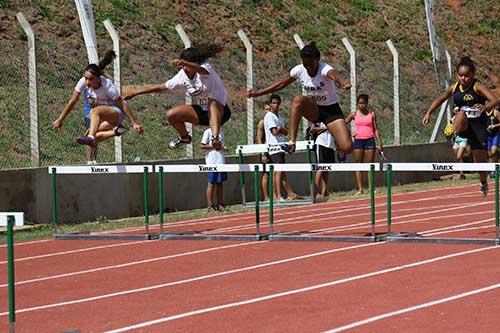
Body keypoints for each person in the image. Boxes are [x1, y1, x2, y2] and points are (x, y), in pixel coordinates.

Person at [247, 41, 353, 156]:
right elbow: (280, 84)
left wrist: (344, 82)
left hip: (331, 110)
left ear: (317, 60)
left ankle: (336, 139)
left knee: (347, 147)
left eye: (310, 65)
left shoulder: (324, 68)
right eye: (305, 65)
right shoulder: (299, 70)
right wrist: (258, 93)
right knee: (298, 100)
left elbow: (334, 75)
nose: (308, 68)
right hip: (314, 109)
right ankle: (292, 142)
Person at [123, 44, 231, 150]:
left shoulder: (205, 68)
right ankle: (185, 138)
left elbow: (200, 69)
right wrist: (136, 92)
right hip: (203, 113)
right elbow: (162, 87)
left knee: (212, 102)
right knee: (171, 114)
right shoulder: (182, 76)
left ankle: (215, 139)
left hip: (221, 113)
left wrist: (184, 62)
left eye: (187, 66)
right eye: (182, 66)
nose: (184, 69)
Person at [422, 57, 499, 196]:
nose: (463, 78)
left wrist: (485, 106)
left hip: (478, 127)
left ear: (473, 75)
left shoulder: (477, 86)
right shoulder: (454, 87)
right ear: (457, 74)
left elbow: (495, 99)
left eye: (466, 76)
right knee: (461, 113)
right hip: (463, 124)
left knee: (480, 163)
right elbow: (440, 99)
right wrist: (428, 113)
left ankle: (483, 182)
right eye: (460, 75)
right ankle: (454, 135)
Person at [53, 50, 144, 151]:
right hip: (104, 115)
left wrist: (134, 122)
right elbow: (72, 101)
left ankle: (91, 138)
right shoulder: (83, 82)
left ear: (98, 78)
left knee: (94, 112)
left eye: (91, 79)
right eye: (86, 78)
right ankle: (117, 131)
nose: (87, 82)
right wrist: (60, 119)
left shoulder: (107, 86)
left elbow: (123, 104)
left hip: (116, 113)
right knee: (91, 132)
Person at [256, 101, 299, 201]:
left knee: (278, 172)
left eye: (268, 109)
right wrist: (263, 153)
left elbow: (284, 132)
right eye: (266, 109)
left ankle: (285, 194)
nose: (268, 111)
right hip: (266, 149)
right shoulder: (262, 122)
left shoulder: (275, 119)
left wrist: (281, 130)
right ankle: (267, 197)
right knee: (267, 174)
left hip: (276, 148)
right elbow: (259, 139)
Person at [345, 94, 383, 194]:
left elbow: (376, 129)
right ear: (357, 104)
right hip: (358, 141)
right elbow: (344, 123)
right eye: (360, 103)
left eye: (363, 103)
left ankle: (371, 188)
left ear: (367, 103)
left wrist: (379, 143)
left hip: (370, 140)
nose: (361, 105)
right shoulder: (354, 114)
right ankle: (360, 189)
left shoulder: (372, 114)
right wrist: (350, 133)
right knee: (358, 164)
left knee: (370, 165)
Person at [201, 128, 227, 212]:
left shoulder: (222, 132)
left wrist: (223, 148)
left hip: (221, 161)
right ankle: (210, 205)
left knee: (220, 183)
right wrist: (214, 146)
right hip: (211, 162)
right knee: (211, 183)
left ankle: (220, 204)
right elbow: (202, 145)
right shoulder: (208, 132)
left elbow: (221, 146)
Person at [309, 121, 336, 199]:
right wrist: (325, 128)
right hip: (321, 143)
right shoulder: (318, 118)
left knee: (326, 168)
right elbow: (312, 129)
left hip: (330, 144)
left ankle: (325, 191)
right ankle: (316, 192)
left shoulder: (332, 118)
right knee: (320, 167)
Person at [486, 108, 500, 178]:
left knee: (494, 151)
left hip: (495, 135)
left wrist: (494, 126)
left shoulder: (495, 112)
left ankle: (496, 170)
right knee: (490, 154)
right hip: (488, 136)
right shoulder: (483, 113)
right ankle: (493, 170)